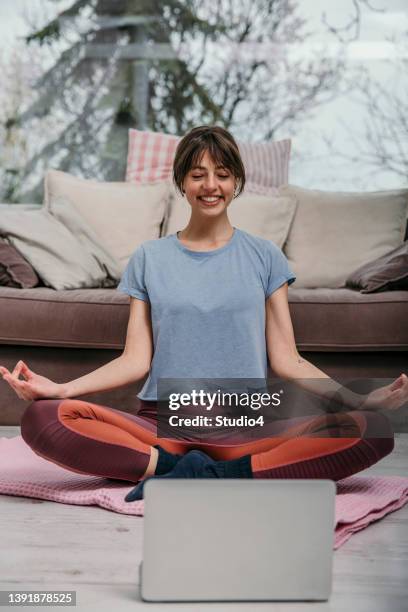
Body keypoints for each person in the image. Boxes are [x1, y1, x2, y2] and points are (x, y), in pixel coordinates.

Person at [1, 125, 407, 503]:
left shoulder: (265, 256)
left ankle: (211, 473)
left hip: (246, 427)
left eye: (223, 174)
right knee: (43, 418)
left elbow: (287, 359)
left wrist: (359, 399)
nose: (211, 185)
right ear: (182, 182)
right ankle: (185, 468)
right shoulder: (149, 257)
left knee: (371, 430)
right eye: (198, 174)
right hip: (163, 426)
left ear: (237, 183)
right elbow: (135, 360)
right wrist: (61, 390)